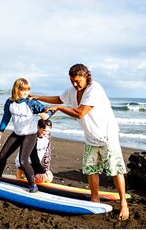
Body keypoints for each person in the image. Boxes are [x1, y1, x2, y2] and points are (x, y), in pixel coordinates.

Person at [30, 63, 129, 220]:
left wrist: (58, 108)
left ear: (86, 76)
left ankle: (123, 203)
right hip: (90, 137)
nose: (75, 84)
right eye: (72, 81)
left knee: (115, 170)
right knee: (91, 170)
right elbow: (59, 98)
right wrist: (37, 97)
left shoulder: (94, 89)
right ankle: (94, 199)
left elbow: (80, 113)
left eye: (78, 81)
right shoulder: (72, 90)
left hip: (107, 136)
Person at [0, 78, 52, 193]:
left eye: (27, 90)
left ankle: (33, 185)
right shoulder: (10, 102)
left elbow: (48, 109)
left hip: (30, 135)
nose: (26, 93)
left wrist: (47, 114)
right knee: (2, 155)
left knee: (23, 160)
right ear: (16, 89)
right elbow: (6, 117)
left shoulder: (31, 102)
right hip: (17, 133)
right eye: (23, 90)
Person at [15, 119, 53, 183]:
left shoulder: (47, 137)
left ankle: (30, 176)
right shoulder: (31, 137)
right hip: (24, 163)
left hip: (35, 163)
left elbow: (47, 155)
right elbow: (34, 157)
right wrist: (42, 172)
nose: (46, 133)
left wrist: (46, 169)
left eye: (48, 131)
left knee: (49, 178)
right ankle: (20, 172)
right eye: (44, 130)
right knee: (42, 178)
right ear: (38, 127)